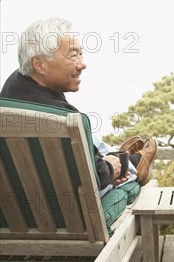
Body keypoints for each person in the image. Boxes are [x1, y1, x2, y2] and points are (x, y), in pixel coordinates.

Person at [0, 17, 158, 195]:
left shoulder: (13, 89)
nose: (82, 64)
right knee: (118, 171)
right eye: (73, 55)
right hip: (64, 210)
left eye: (81, 54)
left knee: (94, 142)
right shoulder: (62, 119)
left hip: (17, 208)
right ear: (39, 64)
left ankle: (123, 158)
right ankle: (132, 163)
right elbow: (96, 175)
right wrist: (109, 169)